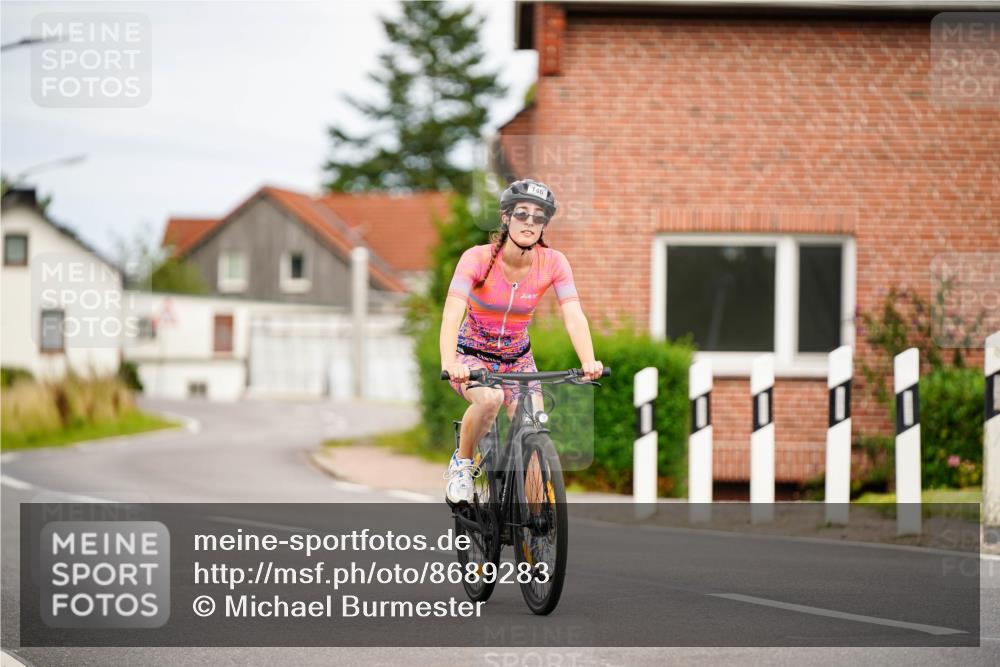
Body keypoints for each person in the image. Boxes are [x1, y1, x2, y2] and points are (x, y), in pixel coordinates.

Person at [440, 179, 603, 504]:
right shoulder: (477, 259)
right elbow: (452, 312)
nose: (530, 222)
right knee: (489, 400)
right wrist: (450, 363)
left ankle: (534, 526)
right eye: (522, 214)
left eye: (538, 217)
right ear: (505, 217)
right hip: (473, 356)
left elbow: (573, 314)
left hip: (519, 360)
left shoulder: (553, 263)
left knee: (533, 431)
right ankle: (463, 463)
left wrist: (589, 360)